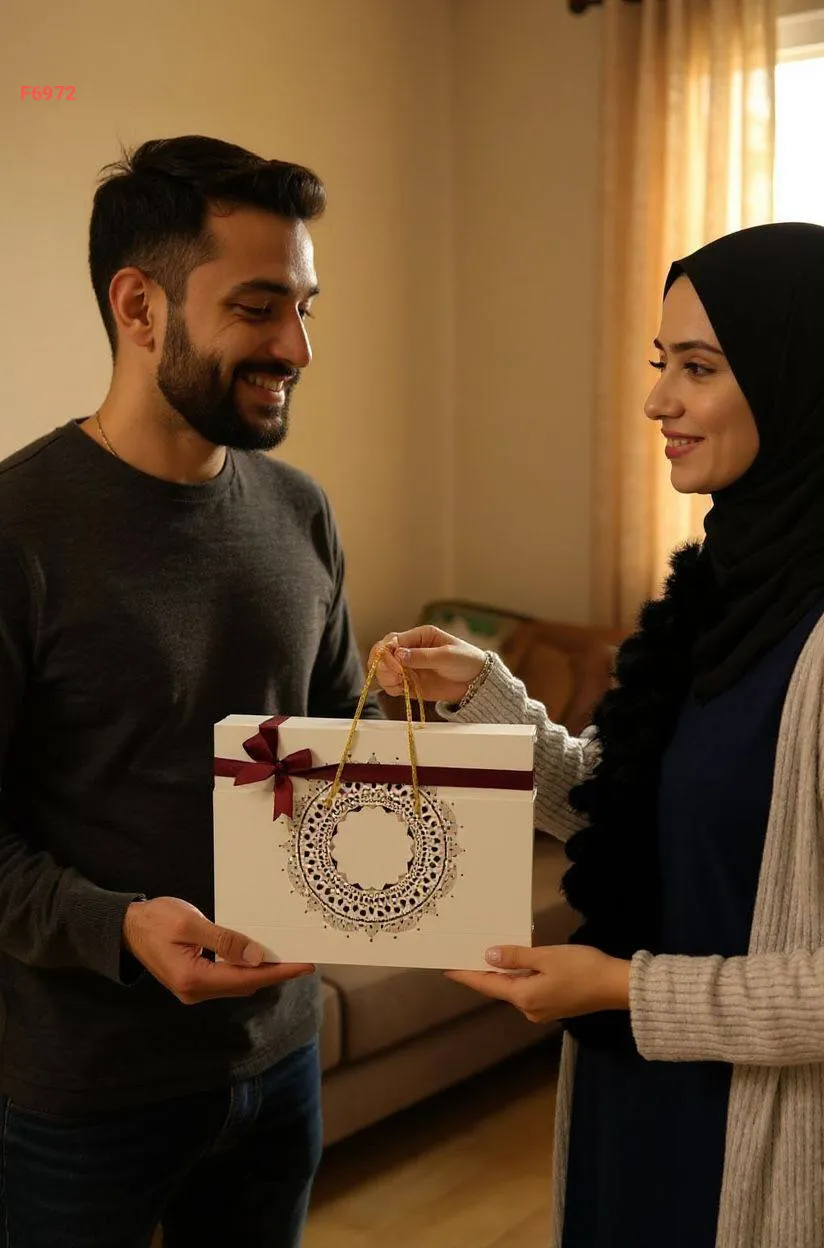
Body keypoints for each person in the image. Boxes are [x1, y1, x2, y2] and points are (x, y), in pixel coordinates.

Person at [373, 222, 824, 1248]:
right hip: (635, 1099)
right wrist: (484, 693)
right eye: (661, 363)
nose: (656, 401)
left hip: (755, 1135)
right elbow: (631, 810)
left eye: (698, 368)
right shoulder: (714, 595)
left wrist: (628, 988)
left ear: (800, 382)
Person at [0, 135, 378, 1248]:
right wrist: (119, 928)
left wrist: (440, 721)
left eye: (304, 308)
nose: (296, 347)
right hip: (82, 1099)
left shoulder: (302, 511)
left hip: (283, 1060)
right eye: (259, 308)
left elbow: (338, 753)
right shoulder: (18, 533)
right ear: (139, 306)